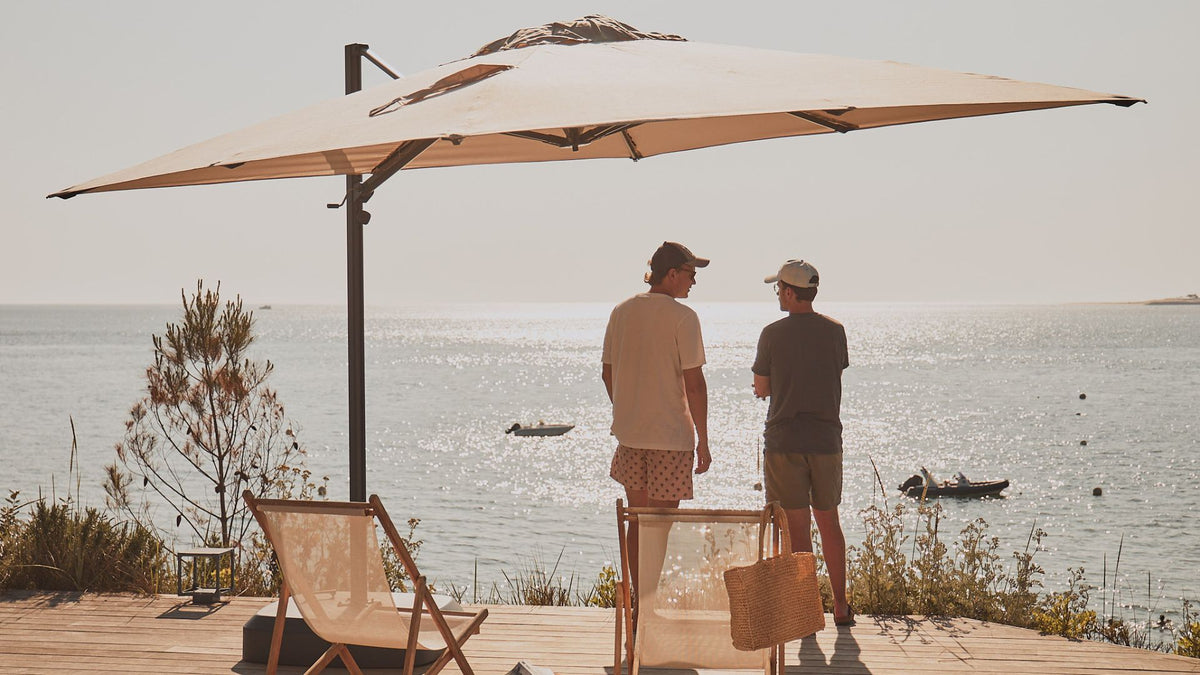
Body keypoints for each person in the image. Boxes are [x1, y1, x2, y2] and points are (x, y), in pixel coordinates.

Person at [603, 241, 712, 603]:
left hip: (631, 436)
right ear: (672, 274)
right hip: (671, 438)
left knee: (638, 521)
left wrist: (630, 408)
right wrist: (704, 441)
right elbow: (694, 385)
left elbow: (607, 372)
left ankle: (639, 600)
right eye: (690, 274)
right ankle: (649, 603)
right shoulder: (684, 317)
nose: (693, 282)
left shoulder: (621, 311)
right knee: (659, 527)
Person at [751, 259, 854, 626]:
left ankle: (808, 610)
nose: (777, 294)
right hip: (826, 439)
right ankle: (841, 606)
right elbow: (829, 373)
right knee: (829, 522)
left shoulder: (772, 334)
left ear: (791, 292)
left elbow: (762, 387)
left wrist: (772, 386)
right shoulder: (835, 331)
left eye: (779, 288)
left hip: (785, 442)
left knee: (796, 529)